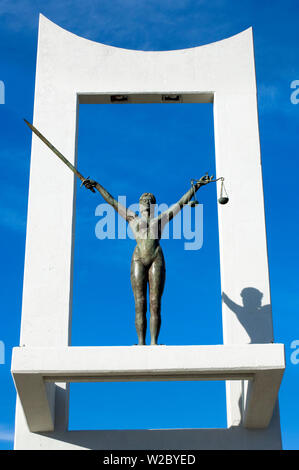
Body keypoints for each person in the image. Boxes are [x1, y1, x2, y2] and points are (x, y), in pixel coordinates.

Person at [83, 174, 213, 345]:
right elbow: (112, 202)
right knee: (139, 302)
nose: (146, 201)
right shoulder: (132, 217)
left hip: (155, 256)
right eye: (144, 199)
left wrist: (196, 187)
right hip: (138, 256)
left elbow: (180, 204)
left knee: (155, 302)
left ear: (153, 205)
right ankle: (141, 342)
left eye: (149, 199)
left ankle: (153, 343)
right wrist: (97, 185)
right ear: (139, 204)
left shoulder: (161, 219)